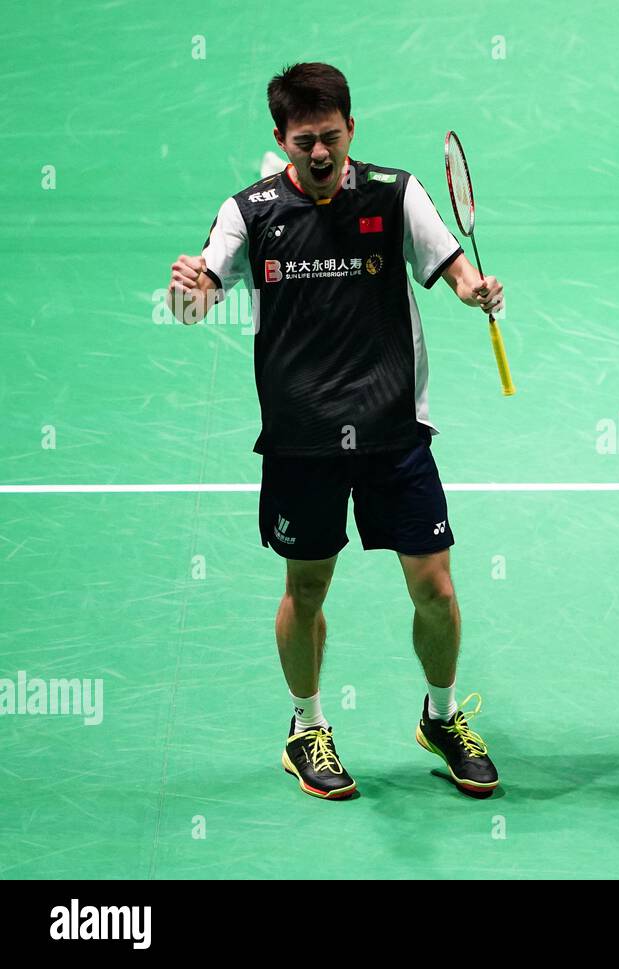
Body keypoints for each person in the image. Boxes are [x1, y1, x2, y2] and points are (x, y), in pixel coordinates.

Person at [167, 63, 504, 800]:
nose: (318, 155)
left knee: (435, 588)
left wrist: (473, 289)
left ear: (352, 127)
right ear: (280, 139)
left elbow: (448, 266)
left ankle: (441, 716)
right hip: (302, 439)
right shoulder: (249, 213)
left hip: (392, 429)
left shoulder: (394, 191)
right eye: (302, 143)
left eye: (330, 138)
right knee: (307, 587)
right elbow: (195, 309)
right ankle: (307, 727)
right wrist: (183, 292)